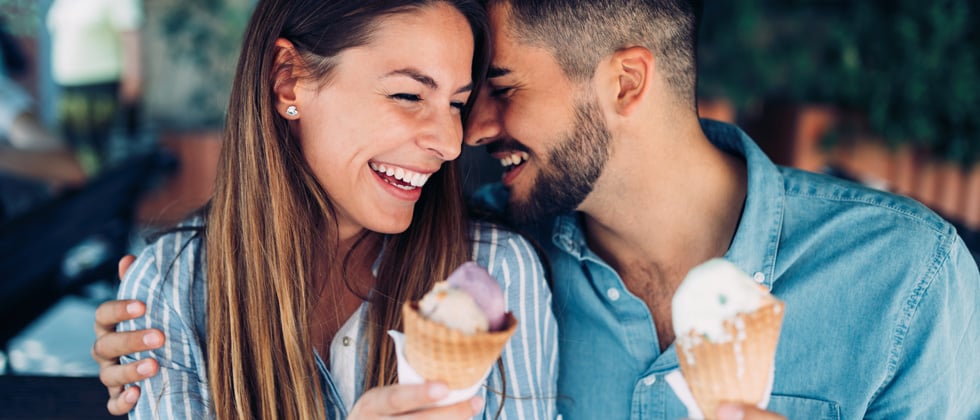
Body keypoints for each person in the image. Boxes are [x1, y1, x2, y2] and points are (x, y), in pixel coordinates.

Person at [94, 0, 980, 419]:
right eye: (425, 96)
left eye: (496, 90)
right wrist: (171, 291)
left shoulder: (908, 279)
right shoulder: (497, 264)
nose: (463, 137)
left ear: (624, 82)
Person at [97, 0, 558, 419]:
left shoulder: (496, 272)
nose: (450, 143)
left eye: (457, 104)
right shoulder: (172, 288)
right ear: (287, 81)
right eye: (408, 96)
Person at [46, 0, 144, 174]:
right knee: (72, 157)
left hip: (101, 90)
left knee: (101, 160)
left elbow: (131, 36)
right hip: (69, 90)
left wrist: (133, 80)